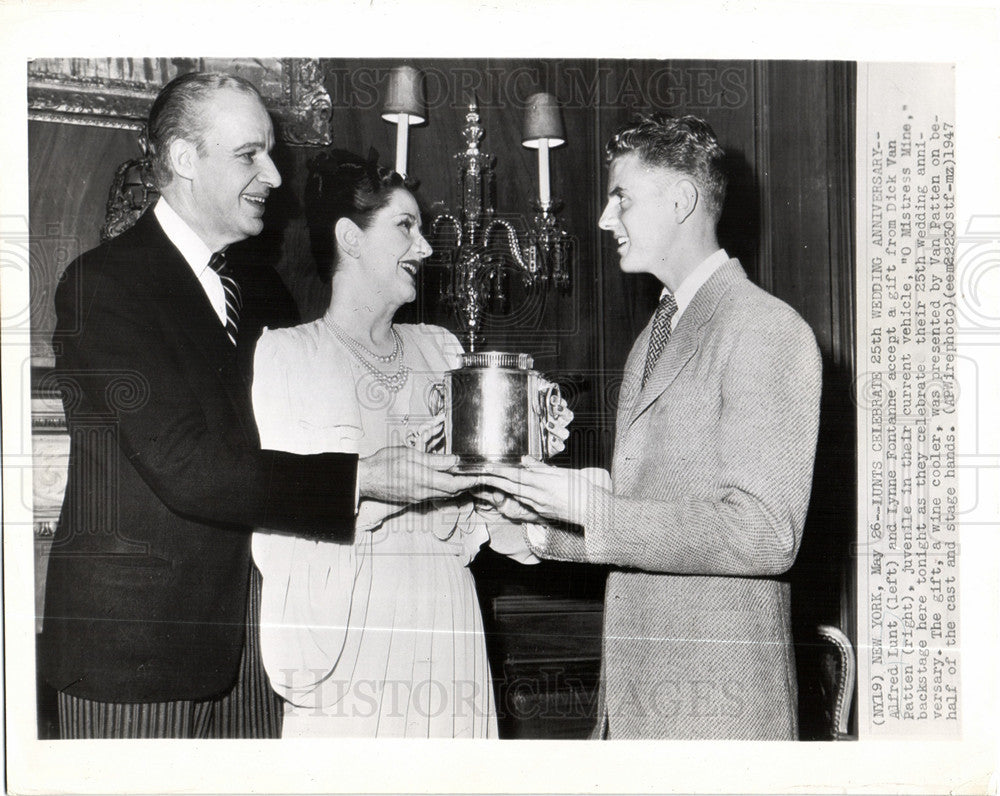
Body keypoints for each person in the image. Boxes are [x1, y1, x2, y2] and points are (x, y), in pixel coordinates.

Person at [40, 73, 476, 740]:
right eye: (250, 154)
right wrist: (364, 476)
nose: (274, 175)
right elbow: (185, 466)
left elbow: (297, 435)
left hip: (253, 647)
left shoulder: (262, 291)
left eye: (270, 152)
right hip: (136, 650)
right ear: (185, 160)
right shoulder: (104, 286)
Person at [483, 114, 823, 740]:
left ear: (682, 199)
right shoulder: (653, 339)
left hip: (719, 715)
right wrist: (542, 533)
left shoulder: (766, 329)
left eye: (622, 198)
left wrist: (591, 507)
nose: (606, 219)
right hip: (638, 705)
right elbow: (653, 520)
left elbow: (764, 534)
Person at [249, 150, 570, 737]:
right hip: (351, 629)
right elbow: (283, 523)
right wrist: (379, 484)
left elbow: (489, 515)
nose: (425, 247)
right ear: (349, 237)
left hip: (445, 614)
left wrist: (532, 450)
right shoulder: (290, 356)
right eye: (406, 227)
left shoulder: (442, 351)